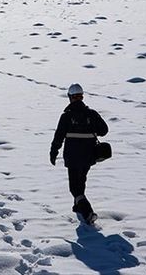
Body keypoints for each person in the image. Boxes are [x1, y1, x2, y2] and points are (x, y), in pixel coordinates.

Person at [49, 83, 108, 224]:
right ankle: (78, 206)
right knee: (81, 181)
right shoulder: (91, 114)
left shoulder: (66, 116)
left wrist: (53, 152)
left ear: (70, 97)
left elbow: (59, 136)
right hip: (89, 155)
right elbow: (104, 130)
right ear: (81, 96)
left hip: (72, 156)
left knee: (74, 187)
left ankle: (87, 213)